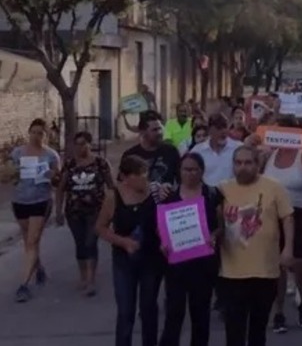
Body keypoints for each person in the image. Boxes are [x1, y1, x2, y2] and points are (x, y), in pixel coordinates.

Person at [219, 146, 294, 346]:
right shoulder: (222, 189)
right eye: (238, 163)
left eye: (248, 163)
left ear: (257, 164)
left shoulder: (274, 187)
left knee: (258, 330)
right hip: (232, 272)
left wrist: (288, 249)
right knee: (234, 330)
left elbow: (287, 218)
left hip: (265, 271)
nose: (243, 167)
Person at [96, 155, 164, 346]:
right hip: (124, 261)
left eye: (146, 175)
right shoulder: (113, 197)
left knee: (149, 307)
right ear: (126, 177)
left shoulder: (155, 193)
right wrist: (122, 242)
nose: (145, 180)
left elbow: (167, 219)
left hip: (151, 258)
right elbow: (100, 227)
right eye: (140, 176)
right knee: (126, 310)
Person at [264, 117, 302, 333]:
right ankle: (278, 311)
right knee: (276, 266)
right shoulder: (270, 154)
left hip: (299, 213)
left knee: (300, 264)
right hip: (272, 214)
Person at [158, 153, 220, 346]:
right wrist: (163, 241)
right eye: (186, 169)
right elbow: (161, 225)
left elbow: (222, 225)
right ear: (180, 171)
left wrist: (215, 236)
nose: (191, 173)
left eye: (195, 169)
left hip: (203, 265)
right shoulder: (169, 196)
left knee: (200, 315)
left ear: (202, 171)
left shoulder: (212, 194)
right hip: (177, 265)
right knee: (174, 314)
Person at [2, 118, 61, 302]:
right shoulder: (18, 152)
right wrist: (13, 172)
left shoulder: (51, 155)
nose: (36, 136)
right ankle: (39, 268)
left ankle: (23, 285)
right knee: (29, 239)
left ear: (46, 135)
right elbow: (7, 176)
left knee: (32, 241)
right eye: (33, 132)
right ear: (29, 133)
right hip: (20, 201)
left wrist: (53, 176)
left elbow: (58, 180)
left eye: (40, 133)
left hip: (40, 201)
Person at [55, 131, 113, 296]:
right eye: (77, 144)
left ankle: (91, 280)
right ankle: (83, 276)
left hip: (96, 211)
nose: (80, 147)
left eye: (83, 143)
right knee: (80, 243)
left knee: (90, 242)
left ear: (90, 144)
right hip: (74, 211)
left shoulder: (100, 163)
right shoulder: (70, 164)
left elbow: (111, 187)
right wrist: (58, 211)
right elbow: (60, 189)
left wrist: (112, 210)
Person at [123, 111, 180, 196]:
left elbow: (181, 180)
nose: (160, 133)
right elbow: (123, 186)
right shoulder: (130, 155)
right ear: (142, 132)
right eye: (155, 130)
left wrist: (170, 188)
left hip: (165, 204)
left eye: (160, 128)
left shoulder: (171, 151)